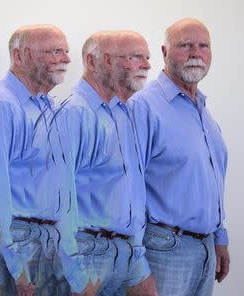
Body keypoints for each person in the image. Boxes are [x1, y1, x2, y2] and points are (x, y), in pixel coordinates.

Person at [0, 24, 90, 295]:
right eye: (54, 51)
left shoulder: (48, 105)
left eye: (65, 51)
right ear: (20, 55)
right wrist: (15, 266)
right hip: (20, 246)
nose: (66, 59)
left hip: (51, 245)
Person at [130, 18, 230, 296]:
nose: (196, 53)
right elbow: (128, 190)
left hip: (205, 249)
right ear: (164, 52)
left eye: (203, 46)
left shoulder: (202, 110)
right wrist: (137, 267)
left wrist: (219, 237)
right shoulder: (143, 106)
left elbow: (213, 178)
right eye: (185, 45)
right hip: (163, 251)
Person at [58, 31, 157, 296]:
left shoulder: (123, 111)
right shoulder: (73, 113)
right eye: (134, 57)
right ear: (93, 61)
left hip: (129, 253)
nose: (147, 65)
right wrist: (77, 274)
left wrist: (138, 255)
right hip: (89, 255)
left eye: (146, 57)